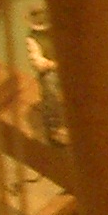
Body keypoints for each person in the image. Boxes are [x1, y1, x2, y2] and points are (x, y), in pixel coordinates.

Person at [26, 9, 70, 147]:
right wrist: (53, 65)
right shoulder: (32, 40)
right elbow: (38, 63)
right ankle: (55, 129)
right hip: (50, 70)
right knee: (50, 89)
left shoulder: (57, 31)